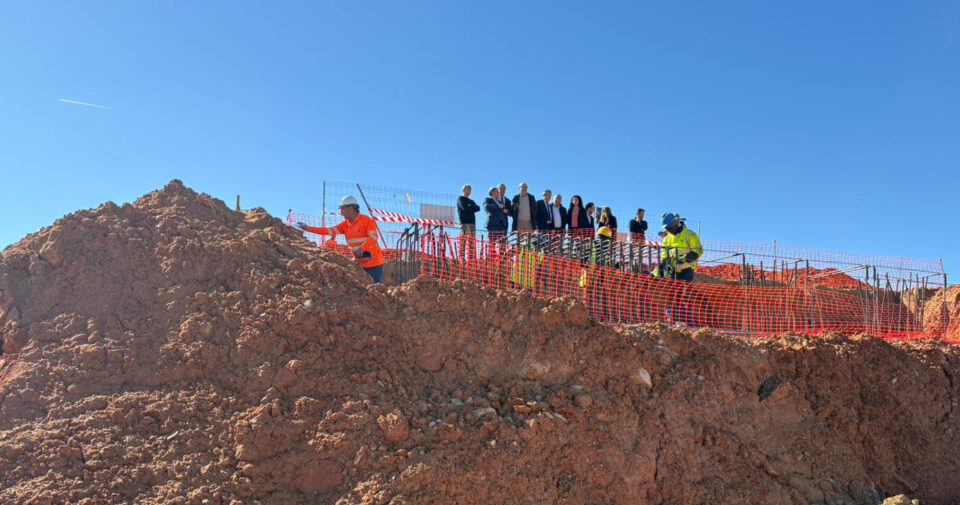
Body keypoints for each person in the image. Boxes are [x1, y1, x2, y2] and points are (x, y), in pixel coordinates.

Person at [297, 195, 385, 283]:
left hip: (374, 263)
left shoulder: (366, 220)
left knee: (374, 291)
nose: (341, 211)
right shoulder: (345, 225)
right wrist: (308, 228)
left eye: (343, 208)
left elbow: (373, 237)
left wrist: (363, 248)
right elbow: (328, 231)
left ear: (351, 208)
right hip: (360, 264)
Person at [656, 213, 702, 282]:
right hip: (673, 272)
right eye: (667, 228)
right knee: (672, 292)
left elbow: (698, 251)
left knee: (685, 291)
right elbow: (664, 256)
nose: (669, 230)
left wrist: (685, 259)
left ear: (675, 222)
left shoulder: (689, 234)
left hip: (687, 270)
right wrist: (662, 267)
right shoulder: (666, 239)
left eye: (670, 227)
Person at [457, 184, 481, 260]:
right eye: (468, 189)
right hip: (464, 223)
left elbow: (478, 208)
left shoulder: (471, 201)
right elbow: (464, 207)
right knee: (463, 241)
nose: (469, 191)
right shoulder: (460, 199)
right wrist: (471, 207)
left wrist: (470, 207)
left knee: (471, 242)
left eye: (470, 189)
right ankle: (462, 258)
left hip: (472, 224)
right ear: (463, 190)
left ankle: (470, 259)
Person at [484, 186, 510, 255]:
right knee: (492, 243)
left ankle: (501, 259)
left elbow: (503, 210)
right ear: (492, 192)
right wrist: (498, 206)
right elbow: (486, 207)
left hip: (501, 226)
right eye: (497, 191)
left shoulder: (500, 202)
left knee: (502, 244)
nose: (498, 193)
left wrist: (505, 210)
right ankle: (491, 258)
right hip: (493, 225)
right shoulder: (488, 199)